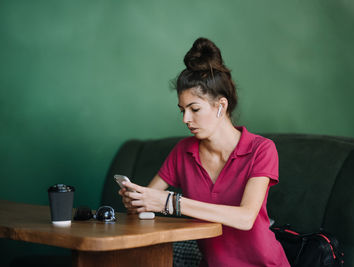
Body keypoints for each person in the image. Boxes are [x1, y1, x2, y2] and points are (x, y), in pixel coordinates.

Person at [119, 37, 290, 267]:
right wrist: (137, 201)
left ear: (221, 106)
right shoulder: (183, 151)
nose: (186, 119)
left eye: (194, 109)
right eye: (182, 110)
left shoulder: (261, 149)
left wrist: (171, 203)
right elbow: (151, 199)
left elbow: (245, 217)